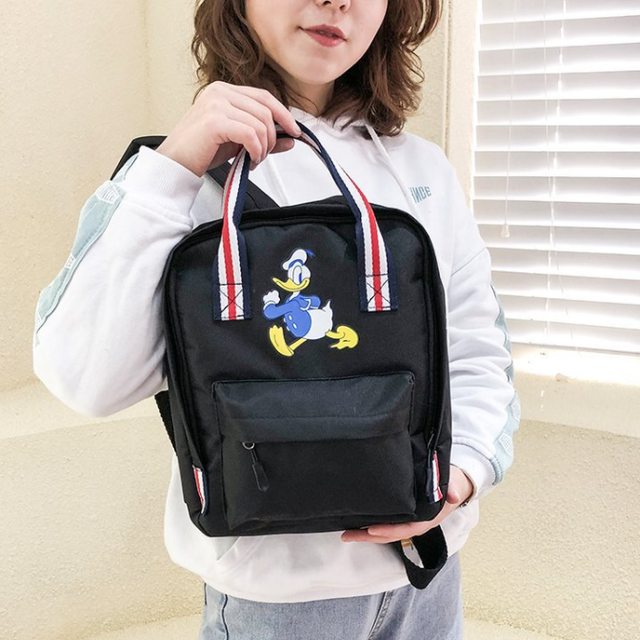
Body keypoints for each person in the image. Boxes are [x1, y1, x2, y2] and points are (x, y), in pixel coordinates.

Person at [33, 0, 519, 638]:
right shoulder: (186, 177)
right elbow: (86, 380)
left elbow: (478, 351)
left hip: (429, 577)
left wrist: (461, 475)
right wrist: (174, 166)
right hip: (278, 603)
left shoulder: (422, 169)